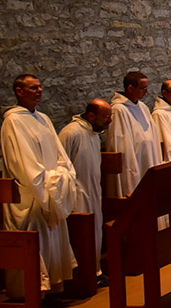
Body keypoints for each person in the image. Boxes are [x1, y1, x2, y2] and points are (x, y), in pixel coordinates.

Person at [0, 74, 80, 296]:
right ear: (19, 91)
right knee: (37, 246)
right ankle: (28, 294)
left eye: (40, 87)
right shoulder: (13, 121)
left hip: (51, 191)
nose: (39, 91)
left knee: (52, 244)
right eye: (33, 88)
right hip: (32, 195)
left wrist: (62, 175)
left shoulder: (43, 118)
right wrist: (48, 182)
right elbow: (24, 164)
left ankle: (51, 290)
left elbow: (60, 154)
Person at [58, 98, 110, 260]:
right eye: (106, 116)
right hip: (77, 194)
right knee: (83, 235)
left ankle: (96, 270)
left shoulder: (92, 132)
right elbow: (60, 165)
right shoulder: (71, 133)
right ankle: (85, 275)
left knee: (95, 232)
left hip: (92, 190)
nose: (110, 120)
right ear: (91, 116)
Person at [107, 71, 161, 197]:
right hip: (135, 164)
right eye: (143, 88)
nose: (146, 92)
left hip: (149, 160)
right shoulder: (118, 110)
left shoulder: (143, 107)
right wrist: (131, 172)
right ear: (130, 88)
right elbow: (121, 145)